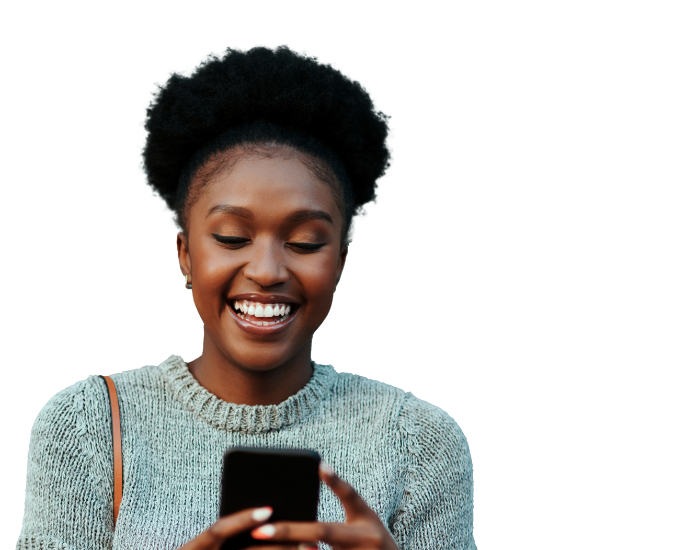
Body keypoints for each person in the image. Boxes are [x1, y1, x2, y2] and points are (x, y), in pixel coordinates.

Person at [16, 44, 476, 549]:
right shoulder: (88, 426)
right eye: (232, 237)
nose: (266, 270)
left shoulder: (420, 443)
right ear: (185, 254)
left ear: (341, 262)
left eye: (304, 243)